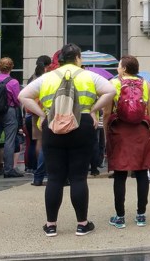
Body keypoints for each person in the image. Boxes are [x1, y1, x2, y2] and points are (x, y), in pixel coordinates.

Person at [18, 44, 115, 237]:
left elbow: (23, 96)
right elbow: (110, 91)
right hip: (82, 124)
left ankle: (51, 225)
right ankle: (82, 224)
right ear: (78, 58)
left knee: (54, 177)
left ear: (60, 59)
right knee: (78, 176)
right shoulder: (89, 76)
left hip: (53, 125)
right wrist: (93, 109)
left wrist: (43, 114)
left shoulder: (47, 77)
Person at [105, 55, 150, 229]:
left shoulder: (114, 84)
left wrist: (107, 130)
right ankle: (141, 214)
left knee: (120, 174)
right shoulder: (146, 84)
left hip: (120, 130)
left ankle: (120, 217)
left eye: (119, 66)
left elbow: (107, 112)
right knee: (142, 172)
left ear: (125, 69)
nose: (117, 69)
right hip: (140, 130)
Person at [0, 57, 24, 178]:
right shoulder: (13, 82)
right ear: (11, 67)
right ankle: (8, 169)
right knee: (9, 140)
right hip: (9, 111)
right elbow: (17, 99)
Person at [25, 55, 51, 184]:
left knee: (35, 142)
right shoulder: (45, 79)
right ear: (47, 66)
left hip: (33, 113)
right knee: (42, 142)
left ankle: (35, 168)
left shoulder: (32, 78)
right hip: (43, 112)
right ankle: (42, 171)